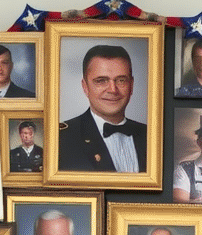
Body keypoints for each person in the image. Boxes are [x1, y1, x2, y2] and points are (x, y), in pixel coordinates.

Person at [58, 44, 147, 173]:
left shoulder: (151, 135)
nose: (113, 90)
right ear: (85, 87)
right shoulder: (61, 139)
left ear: (131, 85)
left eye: (121, 80)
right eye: (101, 81)